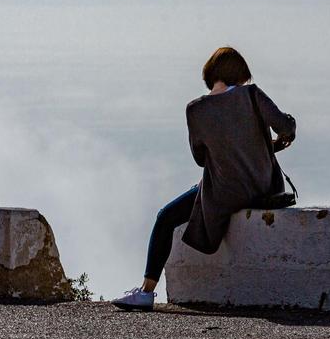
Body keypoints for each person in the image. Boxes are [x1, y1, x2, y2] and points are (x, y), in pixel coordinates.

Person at [112, 47, 296, 311]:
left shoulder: (196, 110)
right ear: (239, 75)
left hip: (224, 194)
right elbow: (285, 127)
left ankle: (145, 292)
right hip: (264, 189)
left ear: (211, 75)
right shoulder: (252, 95)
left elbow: (202, 159)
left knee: (165, 217)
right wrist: (282, 135)